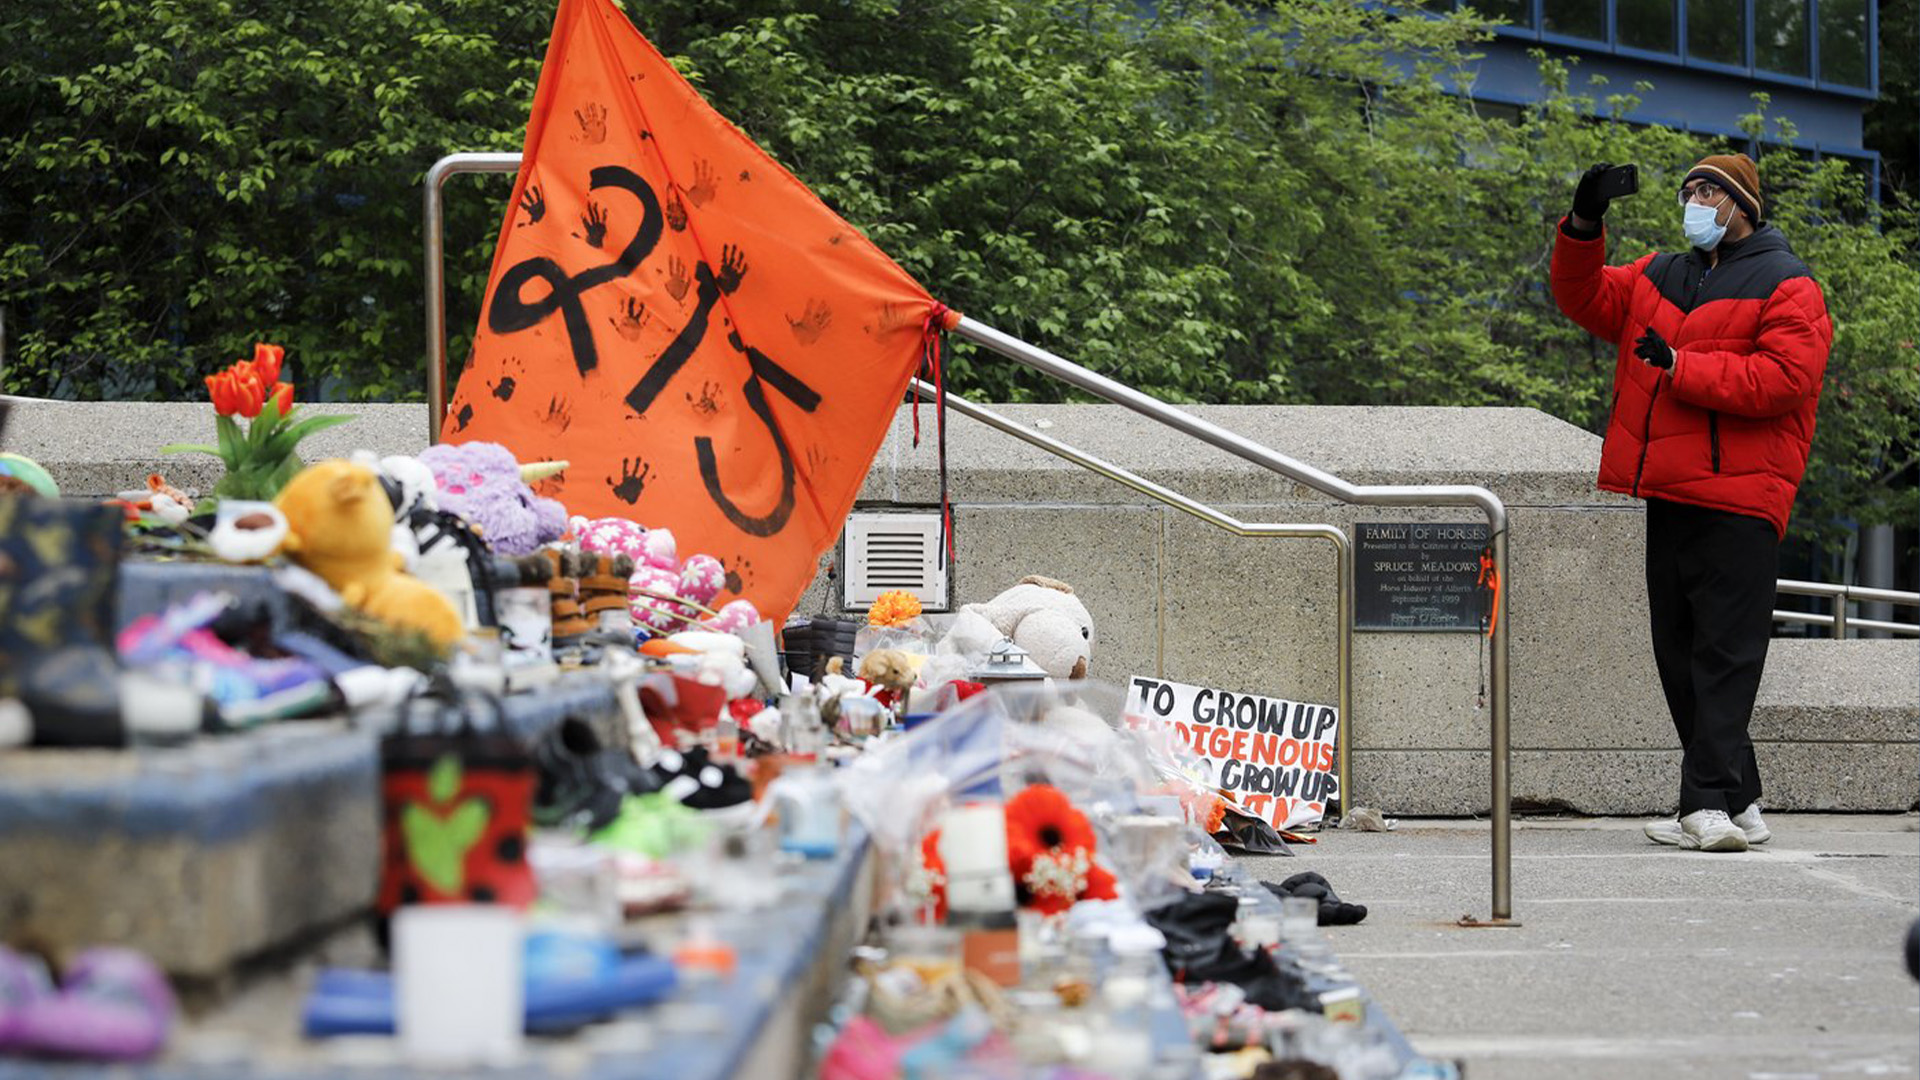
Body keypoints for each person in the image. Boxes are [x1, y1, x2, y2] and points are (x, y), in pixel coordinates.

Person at [1550, 153, 1832, 853]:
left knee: (1726, 654)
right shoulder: (1662, 273)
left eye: (1709, 191)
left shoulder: (1788, 282)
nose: (1695, 201)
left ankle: (1701, 805)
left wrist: (1681, 366)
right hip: (1669, 488)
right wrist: (1585, 221)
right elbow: (1582, 298)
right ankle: (1741, 800)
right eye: (1689, 190)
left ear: (1743, 206)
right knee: (1678, 652)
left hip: (1743, 495)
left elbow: (1784, 379)